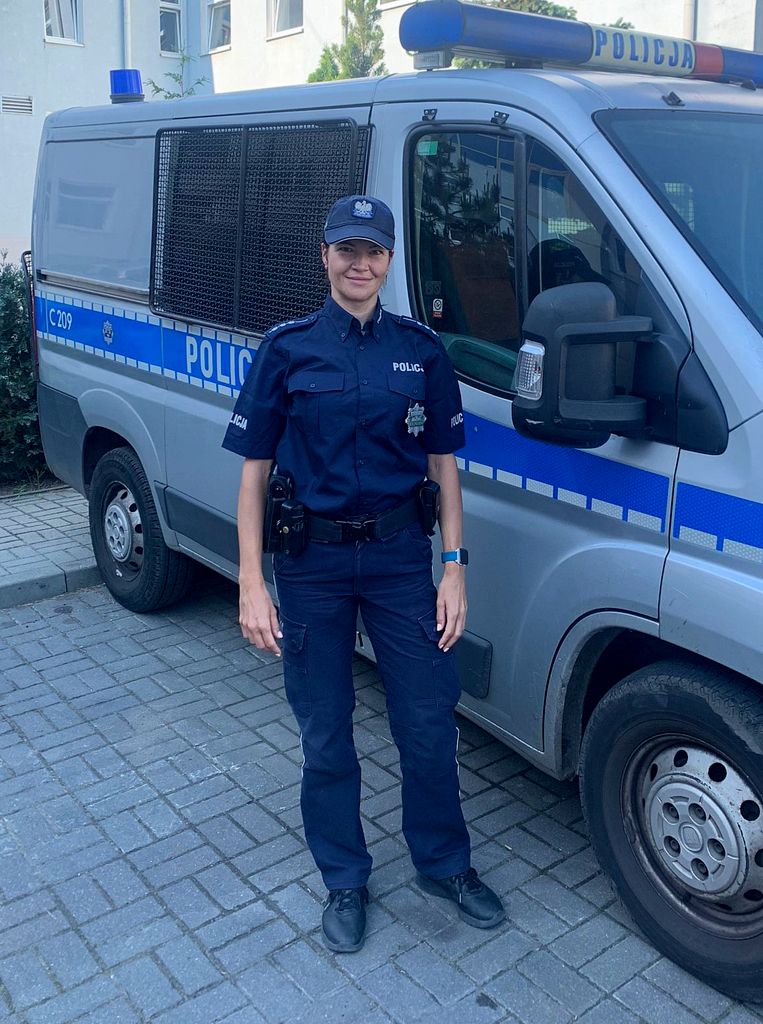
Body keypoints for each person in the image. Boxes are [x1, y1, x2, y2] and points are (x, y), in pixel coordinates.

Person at [222, 195, 505, 953]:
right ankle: (344, 878)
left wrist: (454, 568)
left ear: (389, 261)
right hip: (310, 566)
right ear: (324, 256)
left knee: (427, 722)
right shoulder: (286, 350)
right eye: (345, 248)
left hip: (398, 562)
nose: (359, 263)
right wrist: (251, 582)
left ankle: (443, 865)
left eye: (373, 250)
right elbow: (254, 474)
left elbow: (443, 467)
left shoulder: (421, 351)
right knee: (326, 733)